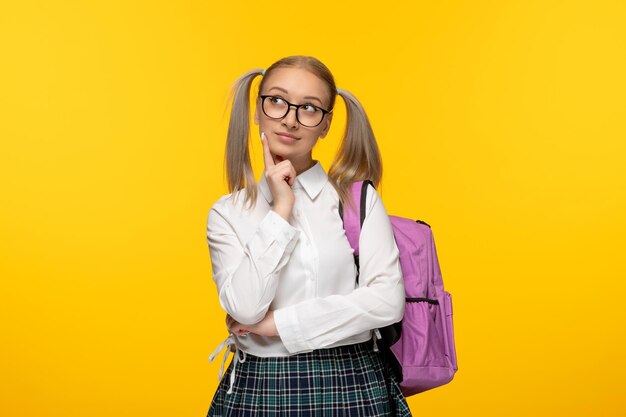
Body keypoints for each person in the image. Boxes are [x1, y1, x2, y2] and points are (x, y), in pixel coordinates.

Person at [205, 55, 411, 416]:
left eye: (310, 108)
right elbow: (245, 308)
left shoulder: (356, 200)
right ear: (258, 110)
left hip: (352, 381)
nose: (290, 119)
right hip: (262, 386)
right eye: (277, 101)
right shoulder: (228, 212)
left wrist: (276, 326)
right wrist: (281, 209)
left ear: (326, 124)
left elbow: (386, 301)